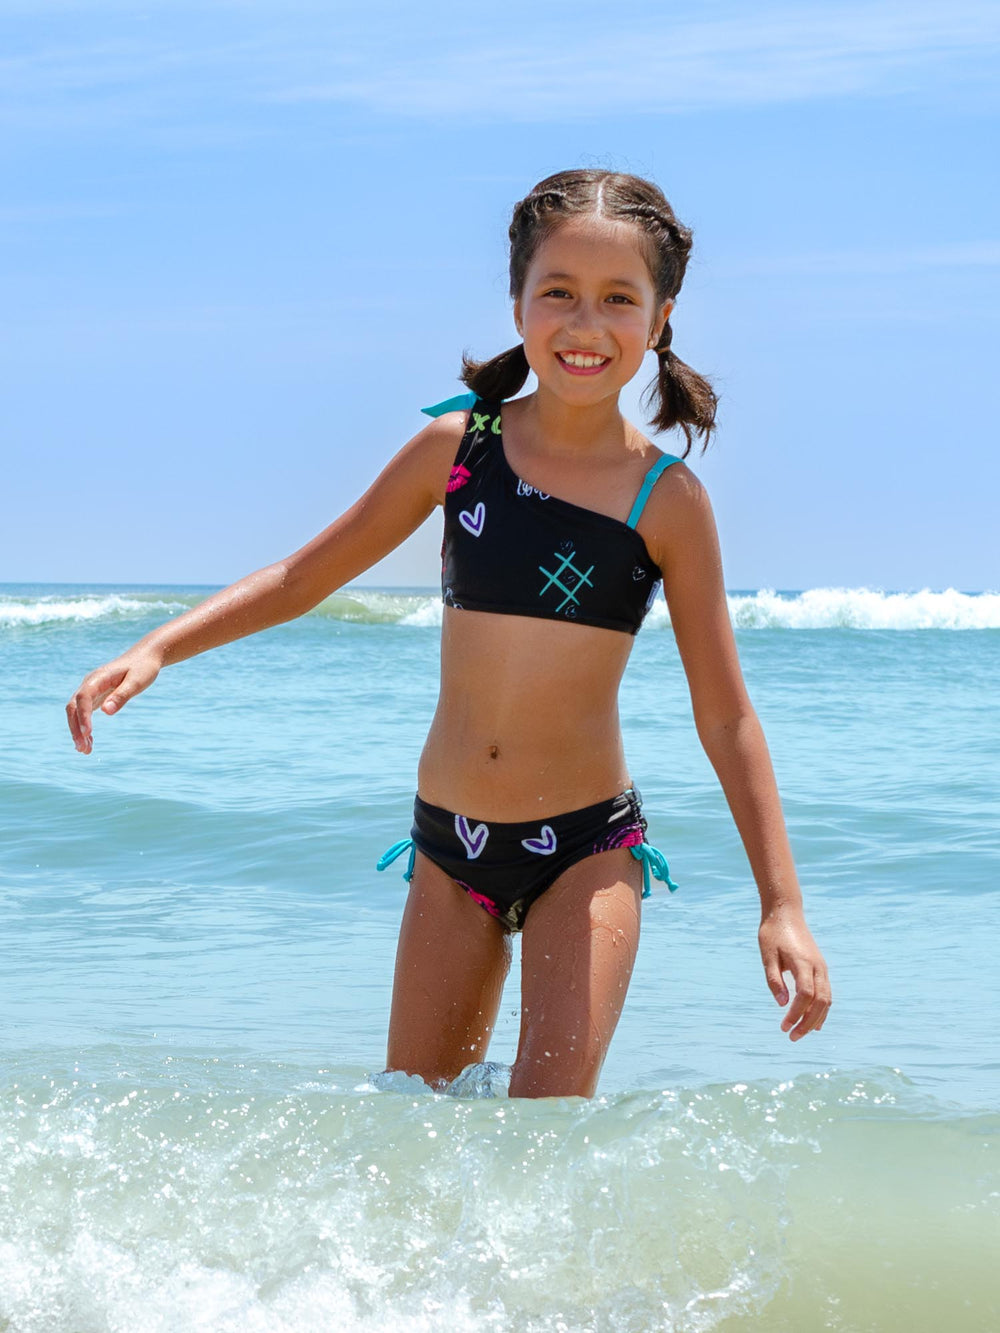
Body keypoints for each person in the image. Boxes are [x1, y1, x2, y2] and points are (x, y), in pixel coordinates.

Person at [66, 168, 831, 1099]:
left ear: (660, 319)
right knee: (410, 1124)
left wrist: (782, 904)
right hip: (449, 848)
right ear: (517, 302)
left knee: (545, 1134)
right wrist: (157, 646)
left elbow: (728, 716)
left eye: (618, 299)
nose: (585, 324)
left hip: (586, 853)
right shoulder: (459, 449)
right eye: (558, 292)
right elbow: (303, 578)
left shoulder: (664, 500)